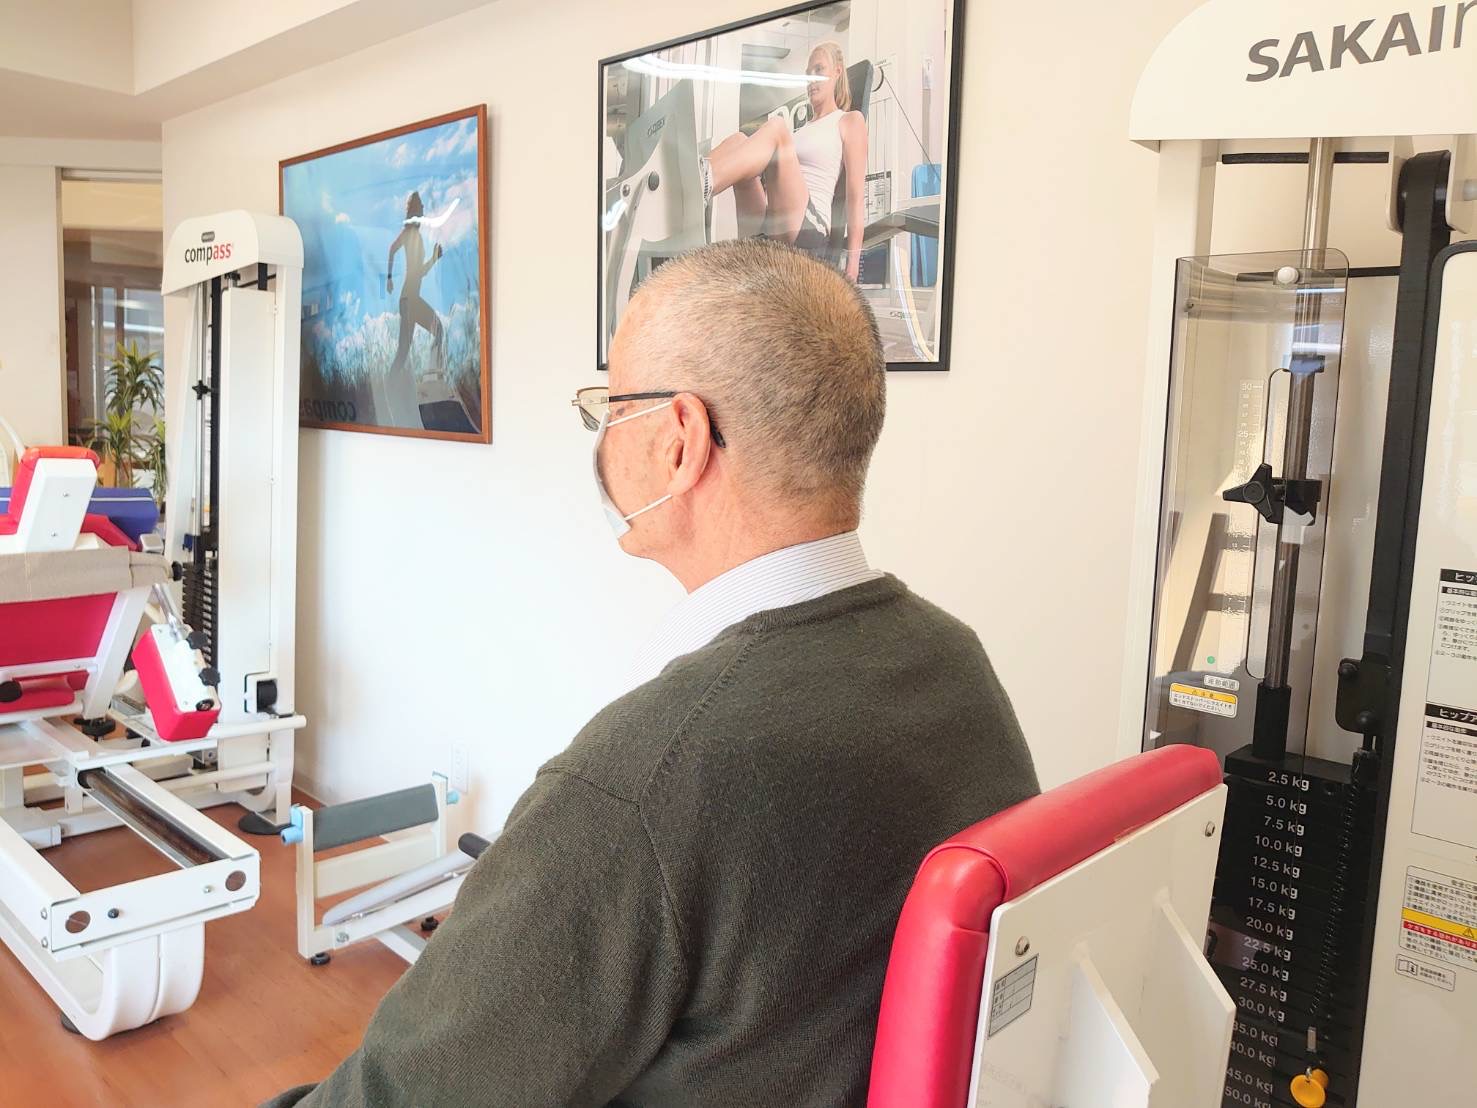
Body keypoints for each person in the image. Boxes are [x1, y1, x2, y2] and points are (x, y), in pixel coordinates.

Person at [265, 240, 1037, 1108]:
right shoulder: (953, 662)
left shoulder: (645, 780)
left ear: (679, 442)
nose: (600, 436)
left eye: (611, 406)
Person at [701, 41, 869, 281]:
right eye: (808, 74)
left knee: (777, 128)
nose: (811, 79)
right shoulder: (799, 131)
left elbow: (856, 198)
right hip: (775, 227)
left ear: (837, 72)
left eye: (819, 70)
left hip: (810, 230)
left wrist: (852, 266)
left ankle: (704, 181)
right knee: (739, 139)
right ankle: (696, 181)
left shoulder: (849, 121)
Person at [385, 190, 445, 375]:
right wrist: (389, 278)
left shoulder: (415, 235)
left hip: (408, 300)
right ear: (415, 210)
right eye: (421, 206)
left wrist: (434, 259)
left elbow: (419, 272)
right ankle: (433, 375)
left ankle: (393, 382)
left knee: (403, 351)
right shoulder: (409, 233)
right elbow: (392, 249)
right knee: (438, 330)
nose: (424, 208)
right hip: (409, 300)